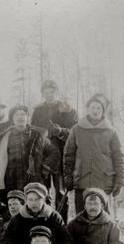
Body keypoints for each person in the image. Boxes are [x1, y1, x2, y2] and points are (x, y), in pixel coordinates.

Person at [63, 94, 124, 216]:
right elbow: (68, 156)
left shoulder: (111, 131)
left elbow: (119, 158)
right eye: (93, 107)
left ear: (103, 111)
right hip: (82, 181)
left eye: (99, 108)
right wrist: (68, 177)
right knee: (81, 218)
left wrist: (120, 181)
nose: (95, 111)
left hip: (104, 182)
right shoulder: (77, 129)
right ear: (87, 109)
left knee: (104, 219)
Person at [0, 182, 74, 244]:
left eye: (37, 199)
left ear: (44, 199)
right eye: (30, 199)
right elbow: (4, 242)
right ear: (26, 200)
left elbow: (66, 241)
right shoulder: (17, 218)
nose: (34, 203)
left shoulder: (54, 217)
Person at [0, 105, 60, 204]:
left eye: (23, 114)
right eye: (17, 115)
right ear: (12, 119)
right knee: (15, 208)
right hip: (11, 181)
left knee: (35, 208)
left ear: (28, 118)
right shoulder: (4, 138)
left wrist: (45, 168)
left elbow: (54, 152)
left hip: (34, 181)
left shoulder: (38, 135)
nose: (20, 117)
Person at [31, 80, 78, 220]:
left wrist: (60, 131)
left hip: (62, 157)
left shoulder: (68, 109)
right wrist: (42, 134)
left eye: (52, 92)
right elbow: (32, 132)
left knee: (61, 194)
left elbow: (75, 132)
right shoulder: (38, 110)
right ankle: (44, 223)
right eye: (46, 92)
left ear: (57, 92)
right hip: (43, 157)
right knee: (42, 193)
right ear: (42, 94)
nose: (49, 95)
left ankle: (61, 223)